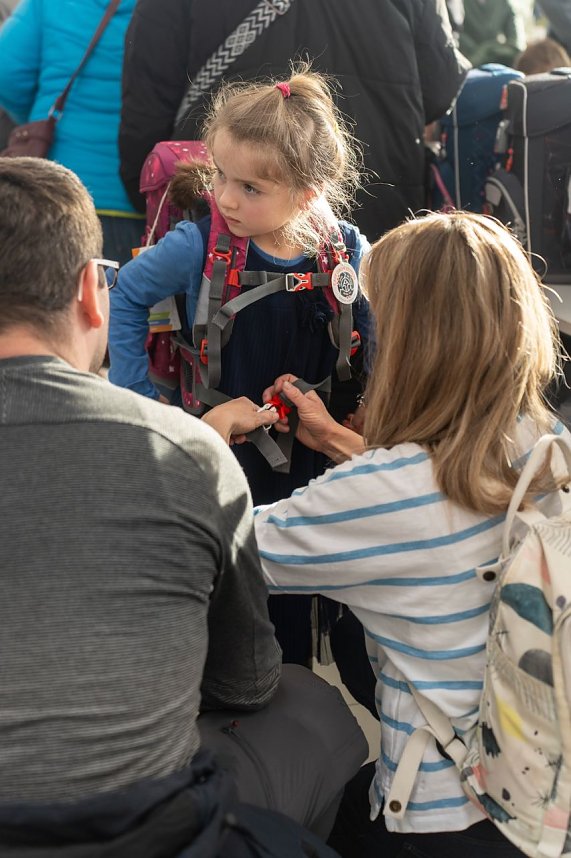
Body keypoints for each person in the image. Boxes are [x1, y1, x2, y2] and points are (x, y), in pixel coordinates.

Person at [0, 155, 367, 856]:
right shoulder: (185, 452)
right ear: (89, 293)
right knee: (310, 703)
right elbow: (245, 677)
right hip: (142, 829)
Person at [203, 210, 570, 856]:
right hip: (534, 798)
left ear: (408, 341)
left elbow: (215, 545)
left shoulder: (383, 493)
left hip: (438, 819)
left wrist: (202, 439)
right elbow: (439, 491)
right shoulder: (544, 446)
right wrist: (340, 441)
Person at [109, 67, 372, 665]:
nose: (225, 197)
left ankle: (297, 717)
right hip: (222, 458)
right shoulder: (197, 246)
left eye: (250, 187)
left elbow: (366, 335)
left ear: (309, 194)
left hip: (315, 459)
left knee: (297, 611)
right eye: (221, 175)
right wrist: (148, 413)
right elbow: (126, 295)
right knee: (226, 606)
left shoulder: (347, 250)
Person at [119, 0, 469, 242]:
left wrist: (154, 193)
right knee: (364, 339)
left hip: (227, 218)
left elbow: (148, 96)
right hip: (377, 203)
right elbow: (440, 88)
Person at [0, 0, 145, 265]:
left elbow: (7, 72)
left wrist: (40, 121)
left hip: (51, 192)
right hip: (138, 199)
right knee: (124, 301)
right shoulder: (175, 7)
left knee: (48, 300)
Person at [459, 0, 527, 66]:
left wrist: (489, 49)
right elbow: (455, 33)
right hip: (466, 61)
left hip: (497, 60)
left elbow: (516, 44)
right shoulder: (457, 3)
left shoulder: (506, 3)